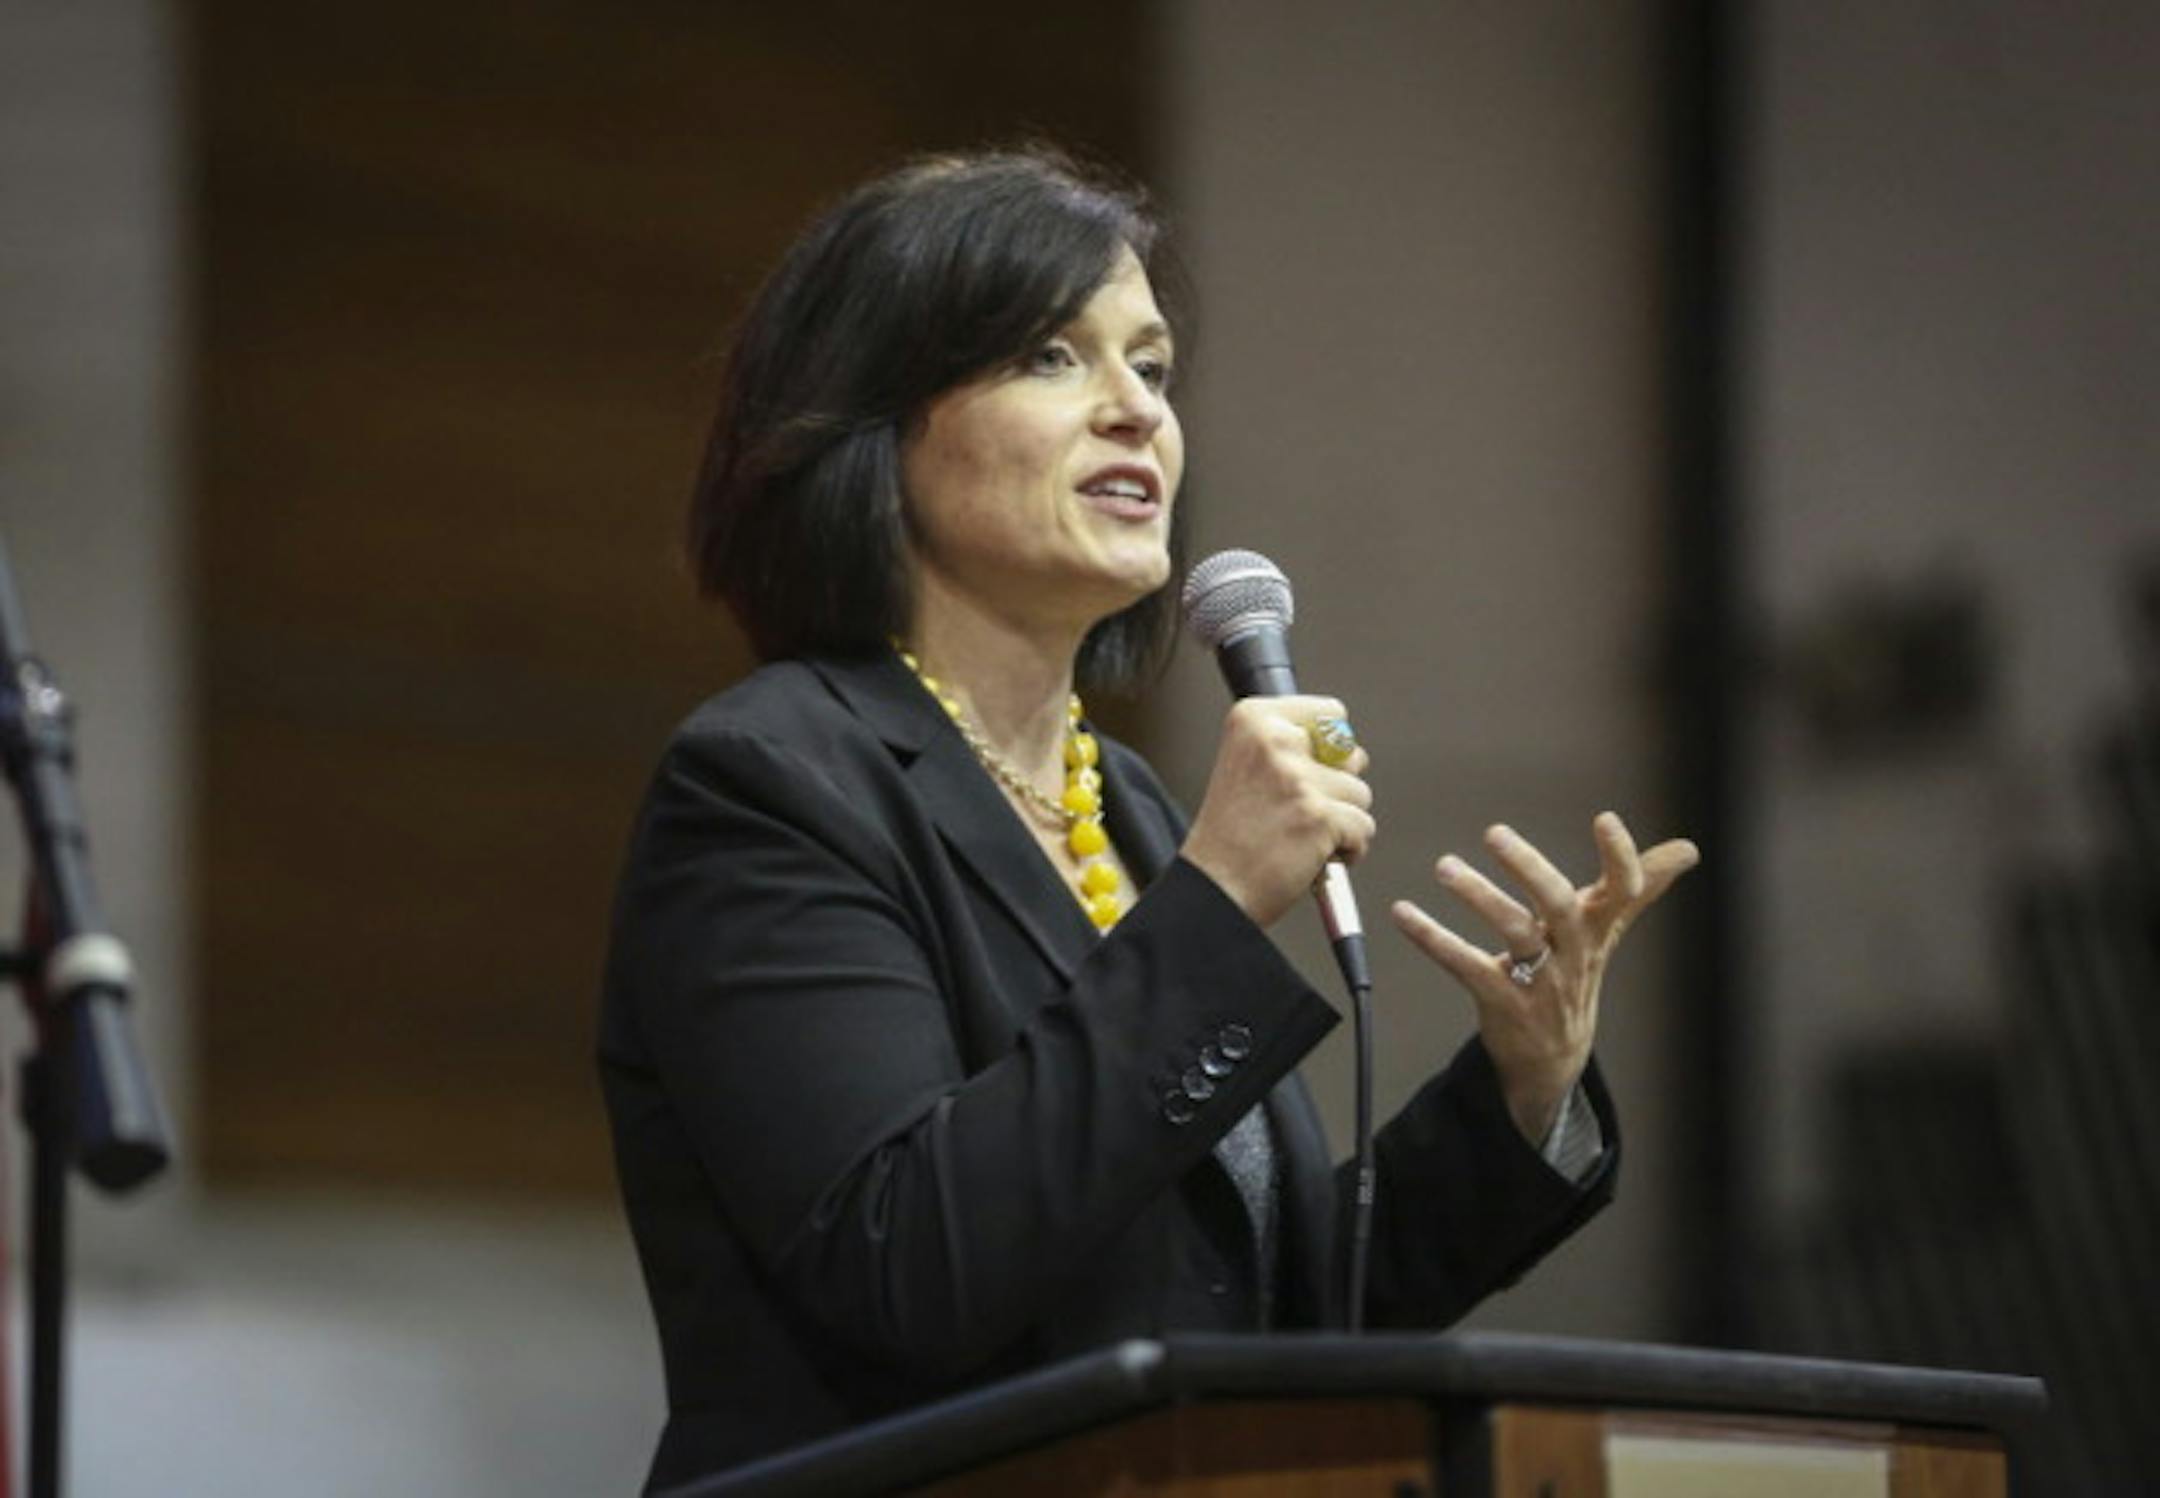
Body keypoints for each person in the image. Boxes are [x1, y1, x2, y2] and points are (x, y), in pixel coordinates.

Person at [597, 147, 1698, 1490]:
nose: (1136, 412)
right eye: (1053, 356)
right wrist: (1218, 901)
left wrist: (1522, 1087)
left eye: (1155, 367)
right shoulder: (771, 783)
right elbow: (911, 1263)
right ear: (871, 422)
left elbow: (1263, 1307)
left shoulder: (1125, 804)